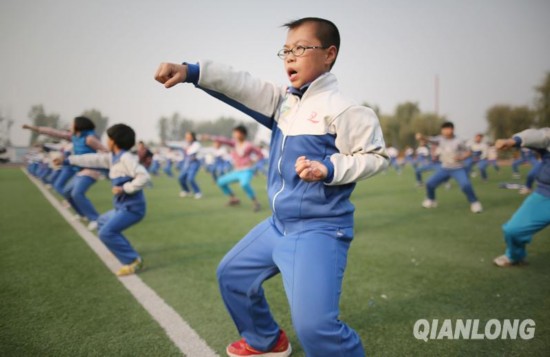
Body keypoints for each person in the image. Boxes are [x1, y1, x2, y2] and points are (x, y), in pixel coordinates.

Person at [155, 17, 388, 356]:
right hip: (279, 226)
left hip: (319, 230)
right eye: (286, 51)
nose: (290, 57)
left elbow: (376, 157)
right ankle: (267, 340)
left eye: (301, 49)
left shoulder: (347, 110)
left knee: (315, 329)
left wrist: (329, 167)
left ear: (329, 54)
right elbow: (241, 84)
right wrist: (191, 71)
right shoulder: (284, 103)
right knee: (232, 276)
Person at [62, 124, 150, 276]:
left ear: (114, 141)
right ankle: (122, 249)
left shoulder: (126, 158)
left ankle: (133, 261)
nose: (105, 141)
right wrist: (67, 160)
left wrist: (125, 188)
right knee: (101, 221)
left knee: (105, 233)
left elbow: (144, 176)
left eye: (108, 138)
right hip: (121, 207)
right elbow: (92, 159)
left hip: (132, 209)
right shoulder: (112, 158)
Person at [23, 117, 107, 230]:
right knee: (67, 192)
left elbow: (105, 150)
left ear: (78, 126)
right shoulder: (73, 137)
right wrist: (32, 128)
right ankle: (83, 214)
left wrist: (103, 163)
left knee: (77, 193)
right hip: (80, 171)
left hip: (91, 170)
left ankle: (95, 219)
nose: (70, 126)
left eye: (72, 124)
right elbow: (53, 132)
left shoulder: (89, 138)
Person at [493, 128, 550, 267]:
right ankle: (515, 256)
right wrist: (512, 141)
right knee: (513, 230)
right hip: (546, 196)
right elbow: (538, 135)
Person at [417, 122, 483, 213]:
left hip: (458, 168)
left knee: (465, 185)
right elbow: (430, 140)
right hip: (445, 168)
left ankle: (475, 203)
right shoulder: (440, 139)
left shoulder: (459, 140)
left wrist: (461, 157)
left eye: (448, 129)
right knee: (429, 184)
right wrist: (422, 137)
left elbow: (469, 152)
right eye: (444, 129)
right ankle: (431, 199)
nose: (446, 131)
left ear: (452, 129)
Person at [205, 126, 263, 211]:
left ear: (243, 134)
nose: (234, 135)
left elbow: (260, 154)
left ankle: (256, 202)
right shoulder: (234, 143)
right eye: (234, 133)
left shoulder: (249, 145)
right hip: (237, 171)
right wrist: (210, 137)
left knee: (244, 184)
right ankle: (233, 199)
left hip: (246, 170)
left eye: (236, 133)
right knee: (220, 181)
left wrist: (253, 161)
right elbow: (224, 140)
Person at [172, 132, 203, 199]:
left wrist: (185, 149)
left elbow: (190, 152)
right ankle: (187, 191)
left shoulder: (196, 144)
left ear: (192, 137)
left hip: (194, 163)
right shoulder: (186, 144)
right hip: (187, 163)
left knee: (190, 178)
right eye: (186, 137)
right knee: (181, 178)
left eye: (188, 137)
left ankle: (198, 192)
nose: (187, 138)